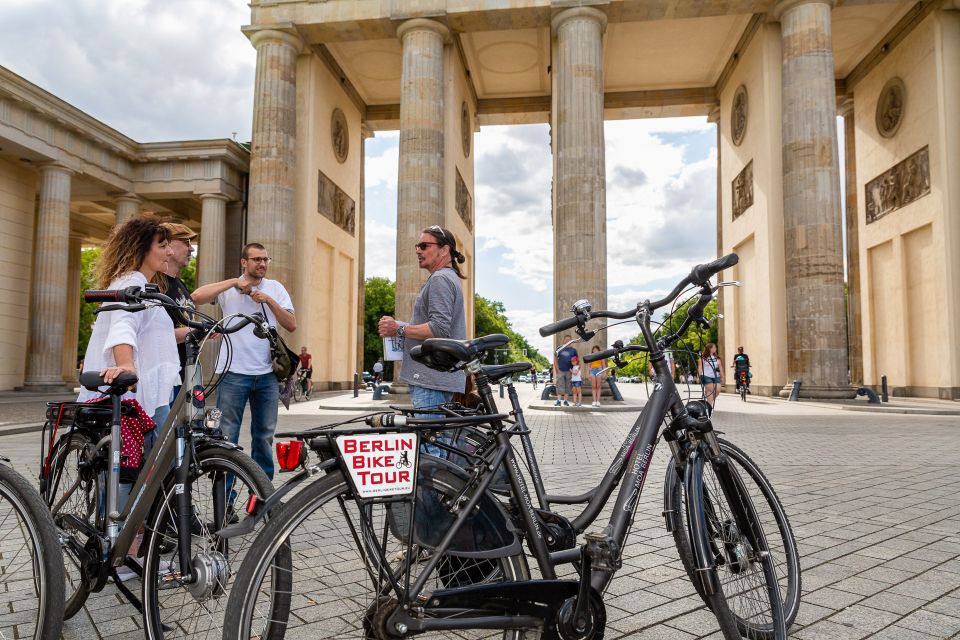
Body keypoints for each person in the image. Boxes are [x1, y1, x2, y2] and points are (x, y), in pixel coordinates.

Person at [77, 216, 179, 508]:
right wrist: (126, 365)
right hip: (140, 393)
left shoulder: (146, 285)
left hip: (153, 392)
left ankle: (135, 536)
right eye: (163, 246)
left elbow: (154, 336)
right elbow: (124, 325)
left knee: (150, 465)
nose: (169, 252)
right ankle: (121, 541)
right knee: (138, 467)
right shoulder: (130, 282)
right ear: (141, 248)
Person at [192, 243, 296, 480]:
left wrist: (268, 300)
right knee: (226, 436)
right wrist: (232, 282)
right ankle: (225, 501)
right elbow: (196, 297)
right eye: (257, 259)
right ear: (244, 262)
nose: (262, 264)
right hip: (233, 372)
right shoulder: (230, 287)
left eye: (265, 260)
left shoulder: (275, 288)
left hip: (268, 373)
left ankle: (262, 496)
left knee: (264, 436)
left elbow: (291, 324)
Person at [378, 225, 467, 455]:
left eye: (424, 245)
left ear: (444, 250)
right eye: (417, 245)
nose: (418, 250)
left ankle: (435, 492)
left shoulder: (440, 279)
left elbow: (439, 328)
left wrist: (398, 329)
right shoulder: (447, 278)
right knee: (440, 448)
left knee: (430, 452)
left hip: (430, 379)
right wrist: (401, 327)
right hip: (437, 379)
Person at [156, 222, 197, 399]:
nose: (192, 249)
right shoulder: (153, 285)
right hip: (165, 379)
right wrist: (198, 329)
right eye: (186, 242)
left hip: (185, 375)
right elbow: (154, 335)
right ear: (168, 244)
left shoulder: (179, 285)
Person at [553, 335, 578, 407]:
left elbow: (577, 360)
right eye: (566, 339)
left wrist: (574, 370)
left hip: (569, 371)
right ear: (563, 340)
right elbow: (555, 359)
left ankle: (565, 401)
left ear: (571, 341)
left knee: (568, 386)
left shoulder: (573, 350)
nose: (568, 341)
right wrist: (557, 369)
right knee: (560, 385)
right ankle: (558, 401)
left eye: (569, 340)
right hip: (560, 370)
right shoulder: (559, 348)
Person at [699, 342, 723, 407]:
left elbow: (720, 367)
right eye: (714, 347)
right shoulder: (703, 358)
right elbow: (700, 367)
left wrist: (722, 376)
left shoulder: (717, 358)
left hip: (716, 376)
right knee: (711, 391)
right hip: (706, 376)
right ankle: (709, 407)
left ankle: (709, 400)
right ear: (710, 349)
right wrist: (699, 376)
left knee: (717, 390)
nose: (716, 348)